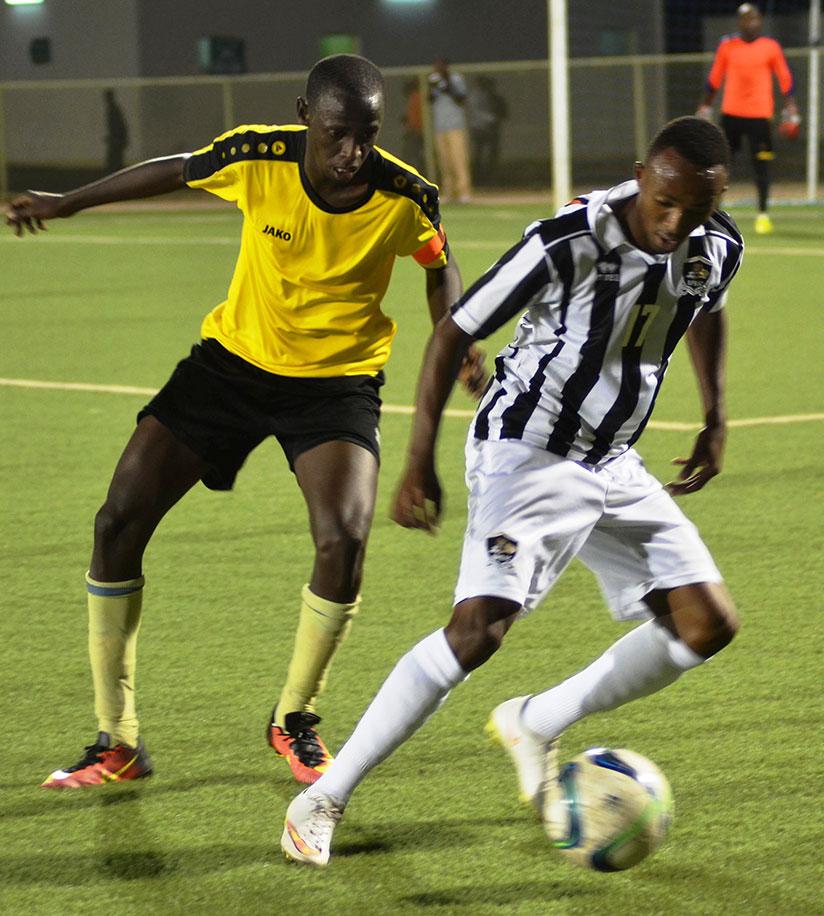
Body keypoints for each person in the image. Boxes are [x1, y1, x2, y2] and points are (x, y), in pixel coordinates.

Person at [5, 54, 486, 790]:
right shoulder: (259, 155)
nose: (352, 151)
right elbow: (175, 168)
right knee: (116, 521)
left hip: (335, 384)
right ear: (304, 116)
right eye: (335, 133)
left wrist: (457, 339)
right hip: (231, 367)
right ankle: (117, 741)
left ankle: (294, 718)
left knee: (344, 538)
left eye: (367, 133)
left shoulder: (404, 194)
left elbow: (437, 262)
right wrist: (68, 202)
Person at [281, 115, 744, 868]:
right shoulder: (570, 241)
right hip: (527, 451)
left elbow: (704, 309)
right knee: (477, 631)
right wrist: (417, 459)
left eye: (693, 210)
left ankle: (536, 721)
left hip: (614, 460)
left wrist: (717, 416)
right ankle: (323, 797)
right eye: (662, 203)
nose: (673, 224)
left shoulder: (714, 245)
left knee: (707, 624)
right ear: (641, 175)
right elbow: (452, 334)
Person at [696, 2, 799, 236]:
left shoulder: (770, 47)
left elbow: (785, 78)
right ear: (739, 22)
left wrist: (791, 109)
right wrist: (705, 106)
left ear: (760, 21)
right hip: (731, 114)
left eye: (753, 18)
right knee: (720, 165)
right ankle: (713, 212)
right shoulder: (728, 46)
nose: (749, 23)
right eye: (744, 19)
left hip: (760, 116)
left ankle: (762, 215)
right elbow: (714, 78)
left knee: (761, 166)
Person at [428, 58, 472, 203]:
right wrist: (433, 87)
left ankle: (464, 193)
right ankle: (449, 193)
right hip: (440, 126)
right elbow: (430, 99)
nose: (438, 68)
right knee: (444, 162)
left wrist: (446, 84)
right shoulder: (434, 80)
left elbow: (461, 98)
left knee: (458, 160)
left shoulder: (456, 79)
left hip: (455, 126)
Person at [468, 75, 507, 185]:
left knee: (492, 155)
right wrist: (493, 118)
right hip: (479, 129)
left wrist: (496, 118)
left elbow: (504, 113)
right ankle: (478, 179)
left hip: (492, 130)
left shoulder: (494, 97)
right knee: (478, 155)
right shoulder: (475, 96)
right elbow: (477, 112)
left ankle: (492, 177)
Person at [400, 78, 424, 169]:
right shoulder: (412, 97)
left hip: (417, 132)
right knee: (409, 154)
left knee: (415, 156)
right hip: (412, 132)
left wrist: (418, 130)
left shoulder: (418, 97)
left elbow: (419, 117)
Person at [103, 89, 129, 173]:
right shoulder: (114, 109)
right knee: (116, 162)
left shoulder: (113, 110)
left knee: (114, 162)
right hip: (117, 140)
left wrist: (113, 138)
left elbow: (117, 127)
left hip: (116, 141)